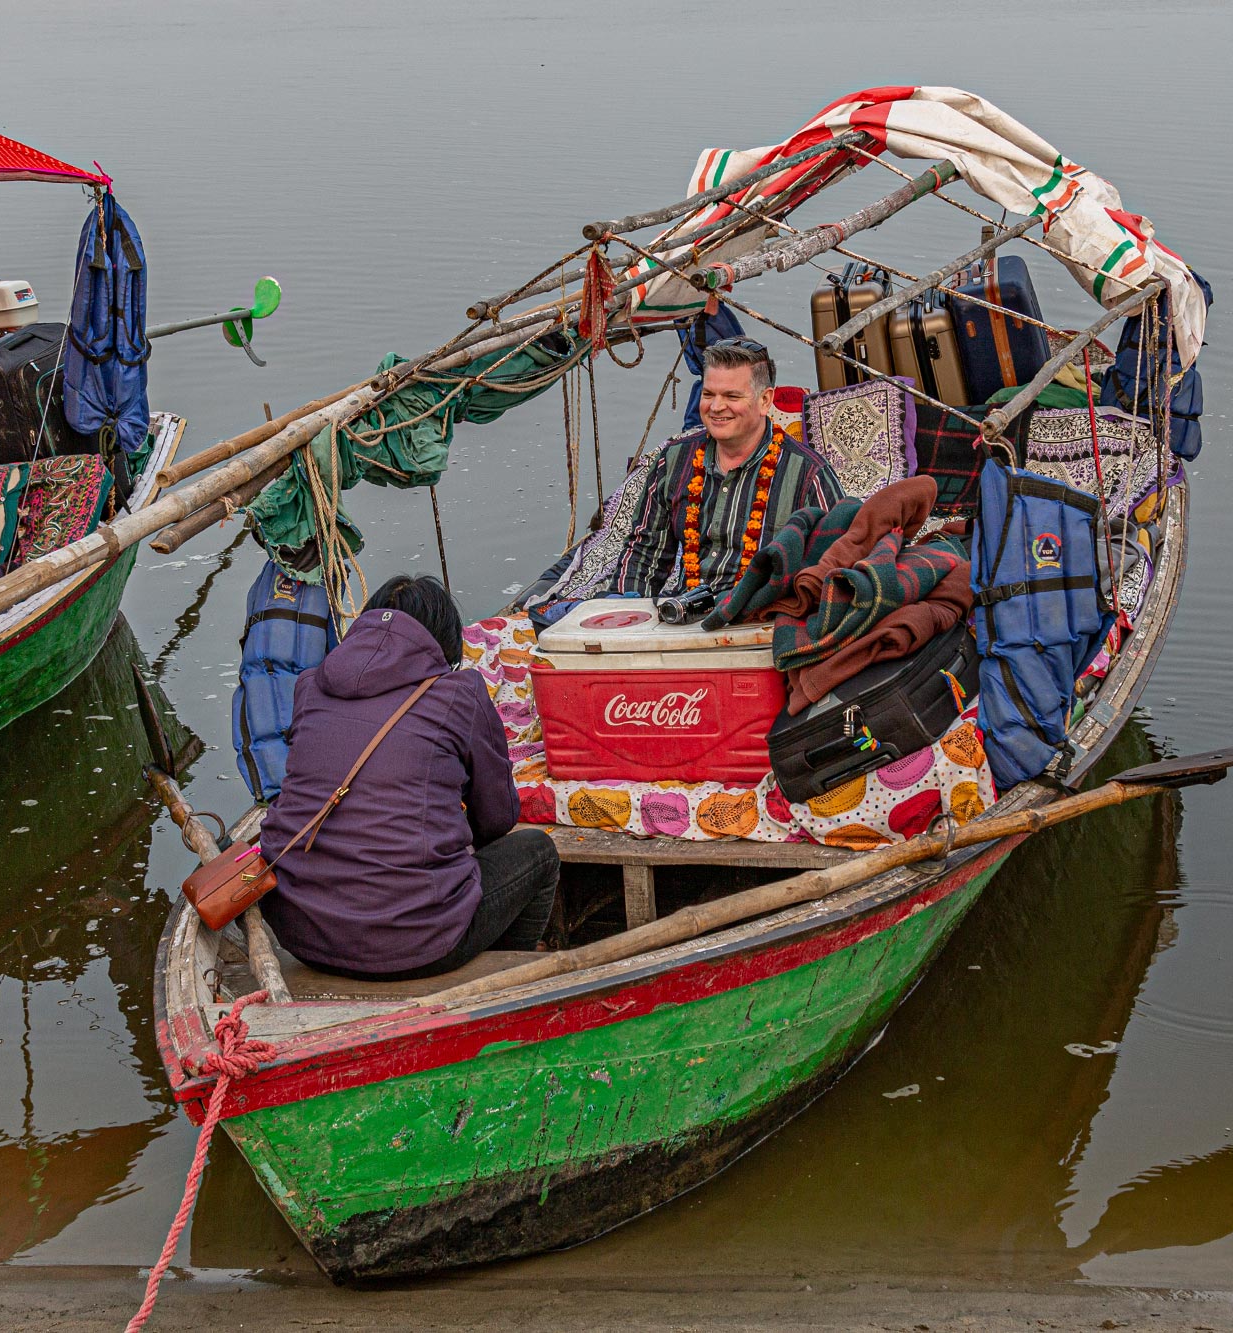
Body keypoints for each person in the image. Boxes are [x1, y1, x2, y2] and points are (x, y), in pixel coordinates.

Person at [257, 574, 560, 980]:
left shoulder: (310, 686)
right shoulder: (459, 693)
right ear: (443, 646)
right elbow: (498, 818)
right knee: (537, 852)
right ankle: (501, 970)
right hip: (416, 942)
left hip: (300, 933)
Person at [611, 337, 844, 597]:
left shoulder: (809, 474)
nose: (716, 407)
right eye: (708, 394)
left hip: (764, 622)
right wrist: (623, 616)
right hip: (684, 616)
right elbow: (645, 554)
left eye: (732, 396)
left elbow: (838, 564)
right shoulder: (674, 460)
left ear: (765, 401)